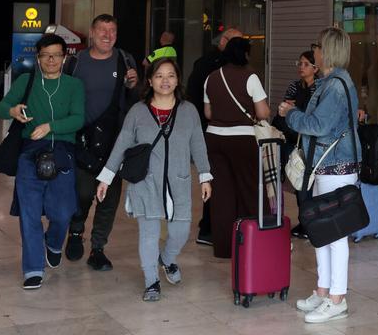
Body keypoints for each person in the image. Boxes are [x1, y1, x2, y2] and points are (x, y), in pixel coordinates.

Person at [96, 58, 212, 302]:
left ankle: (167, 259)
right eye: (159, 75)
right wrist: (106, 178)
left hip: (178, 181)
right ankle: (151, 281)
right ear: (150, 80)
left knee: (180, 231)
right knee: (148, 234)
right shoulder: (138, 111)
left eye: (170, 75)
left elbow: (198, 145)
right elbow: (122, 145)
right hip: (145, 182)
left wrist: (204, 176)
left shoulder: (188, 110)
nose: (165, 80)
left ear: (178, 79)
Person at [279, 26, 361, 324]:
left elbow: (317, 126)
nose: (314, 50)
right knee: (323, 230)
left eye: (318, 46)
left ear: (327, 51)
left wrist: (290, 114)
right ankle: (324, 290)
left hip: (336, 168)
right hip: (328, 166)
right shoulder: (333, 82)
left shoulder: (336, 86)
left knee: (334, 234)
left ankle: (337, 298)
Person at [0, 33, 85, 290]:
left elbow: (78, 119)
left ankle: (54, 242)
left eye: (56, 55)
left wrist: (50, 127)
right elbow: (1, 106)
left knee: (63, 211)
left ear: (64, 57)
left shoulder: (73, 85)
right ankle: (33, 268)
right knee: (29, 213)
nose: (51, 60)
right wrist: (12, 111)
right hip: (29, 154)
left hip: (62, 154)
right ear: (38, 57)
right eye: (45, 55)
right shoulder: (26, 80)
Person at [64, 14, 140, 271]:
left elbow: (136, 100)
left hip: (115, 142)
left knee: (109, 198)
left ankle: (98, 248)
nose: (108, 36)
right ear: (92, 33)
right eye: (102, 30)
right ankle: (76, 231)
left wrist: (135, 85)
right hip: (83, 141)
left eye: (113, 30)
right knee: (83, 192)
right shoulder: (76, 62)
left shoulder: (125, 60)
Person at [202, 36, 268, 260]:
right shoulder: (250, 77)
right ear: (246, 54)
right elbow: (262, 113)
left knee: (222, 194)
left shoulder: (211, 77)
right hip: (243, 140)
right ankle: (256, 240)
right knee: (250, 189)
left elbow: (208, 114)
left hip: (214, 139)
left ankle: (224, 247)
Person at [187, 27, 241, 246]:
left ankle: (211, 225)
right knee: (214, 179)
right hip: (211, 131)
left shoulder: (230, 66)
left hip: (220, 131)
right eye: (237, 43)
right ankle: (208, 227)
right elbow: (197, 97)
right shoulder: (209, 65)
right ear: (224, 42)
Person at [277, 49, 318, 239]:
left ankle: (309, 223)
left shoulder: (319, 88)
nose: (301, 67)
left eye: (306, 64)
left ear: (315, 68)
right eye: (299, 63)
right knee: (297, 181)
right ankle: (305, 221)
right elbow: (286, 109)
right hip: (293, 139)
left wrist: (295, 110)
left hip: (310, 142)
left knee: (307, 184)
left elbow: (311, 115)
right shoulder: (295, 86)